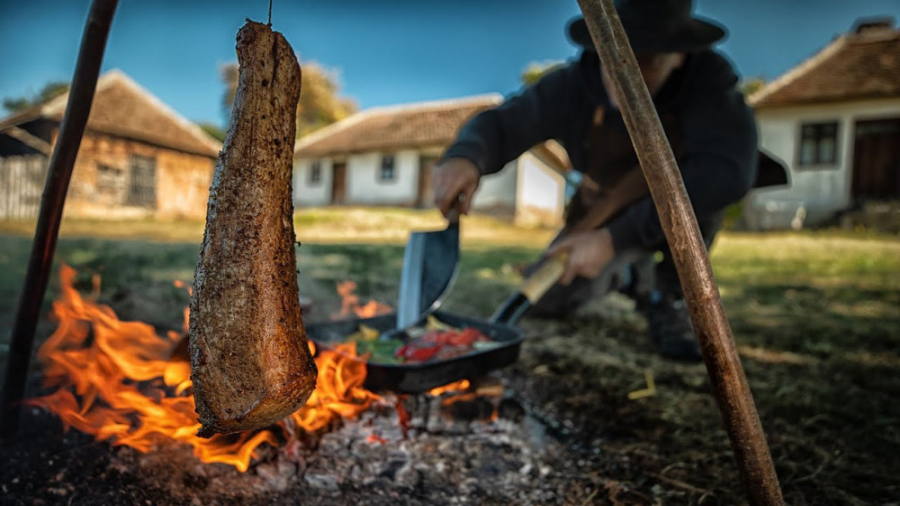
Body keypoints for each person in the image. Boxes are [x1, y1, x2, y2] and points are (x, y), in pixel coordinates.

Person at [432, 0, 760, 361]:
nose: (623, 79)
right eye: (616, 58)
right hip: (601, 206)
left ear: (678, 56)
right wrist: (466, 157)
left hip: (679, 208)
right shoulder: (571, 86)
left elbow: (726, 174)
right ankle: (633, 276)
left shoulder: (710, 87)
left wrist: (614, 239)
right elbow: (503, 123)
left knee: (702, 201)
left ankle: (670, 295)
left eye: (645, 62)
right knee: (550, 295)